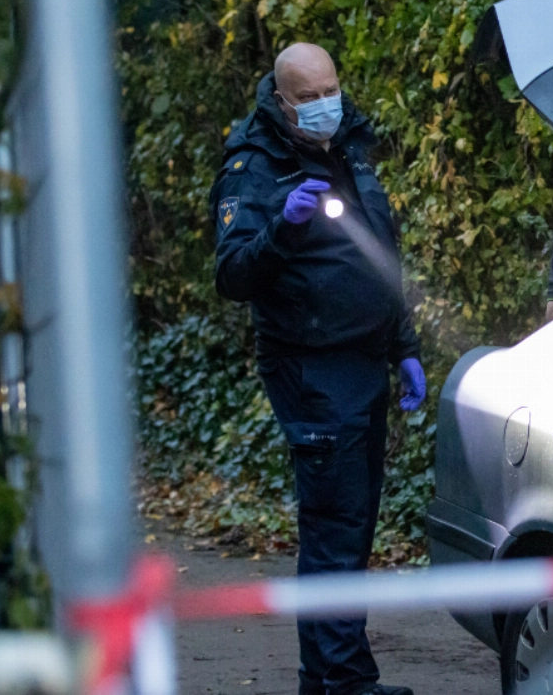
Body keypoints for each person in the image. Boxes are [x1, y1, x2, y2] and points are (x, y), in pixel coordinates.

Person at [210, 42, 422, 695]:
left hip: (365, 358)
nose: (327, 103)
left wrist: (404, 345)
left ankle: (330, 676)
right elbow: (232, 273)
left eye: (332, 86)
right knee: (333, 523)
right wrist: (283, 226)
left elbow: (380, 255)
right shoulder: (255, 166)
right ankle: (343, 680)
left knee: (353, 522)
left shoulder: (351, 146)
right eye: (310, 96)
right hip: (309, 364)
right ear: (281, 99)